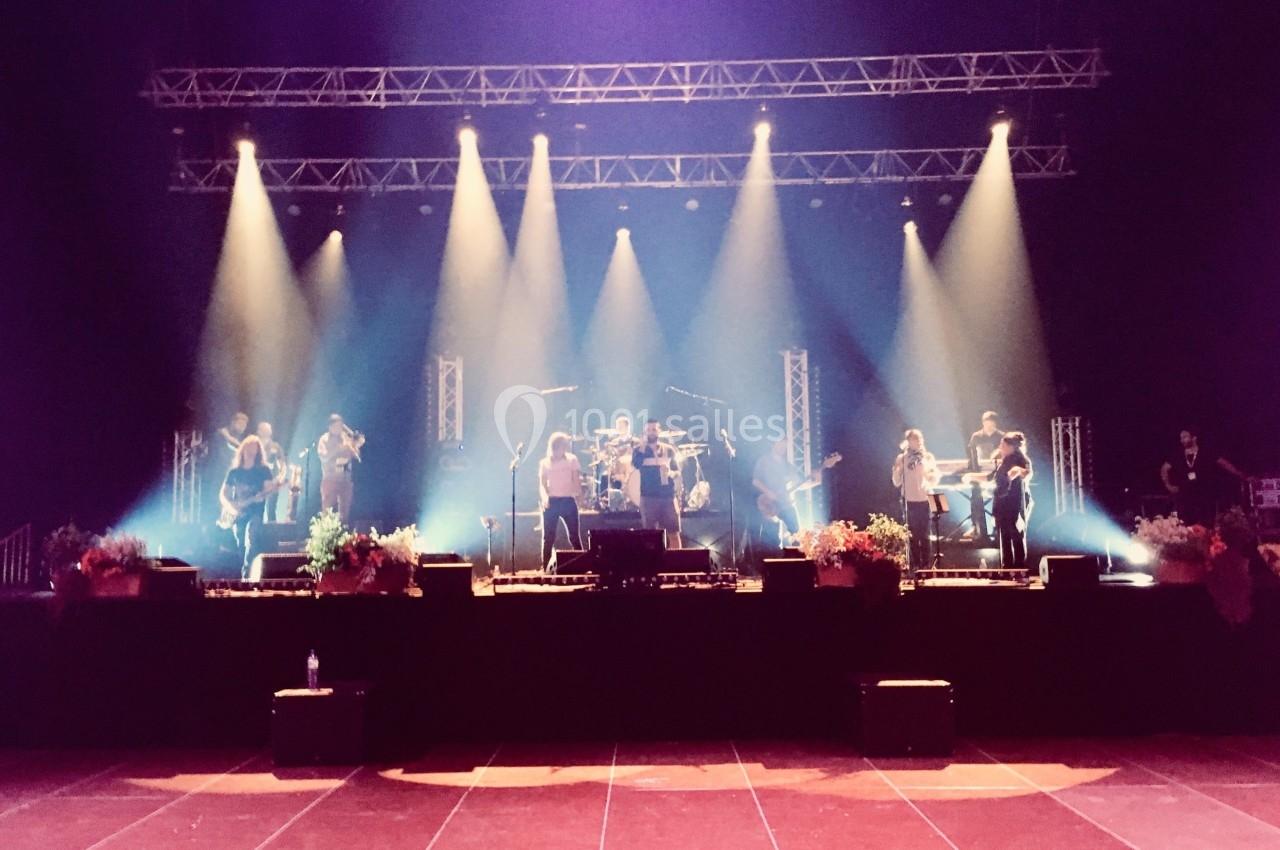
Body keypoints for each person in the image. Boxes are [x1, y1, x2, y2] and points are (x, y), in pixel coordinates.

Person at [1159, 428, 1246, 527]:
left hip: (1204, 496)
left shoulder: (1206, 452)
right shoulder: (1177, 455)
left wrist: (1239, 474)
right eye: (1181, 438)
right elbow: (1164, 468)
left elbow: (1223, 463)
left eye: (1185, 437)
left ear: (1194, 438)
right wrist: (1168, 485)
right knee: (1186, 526)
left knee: (1206, 525)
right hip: (1185, 497)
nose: (1182, 440)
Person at [219, 435, 276, 579]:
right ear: (243, 449)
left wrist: (264, 494)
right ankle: (244, 573)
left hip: (255, 512)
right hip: (238, 514)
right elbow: (223, 494)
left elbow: (268, 490)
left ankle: (247, 576)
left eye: (254, 448)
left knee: (251, 536)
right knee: (241, 544)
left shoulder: (263, 470)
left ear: (258, 451)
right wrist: (231, 507)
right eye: (249, 447)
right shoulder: (234, 472)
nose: (251, 451)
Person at [753, 439, 824, 548]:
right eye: (781, 445)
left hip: (785, 503)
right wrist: (768, 492)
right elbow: (755, 481)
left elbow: (799, 485)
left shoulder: (788, 466)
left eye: (785, 446)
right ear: (774, 445)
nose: (783, 448)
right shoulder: (764, 461)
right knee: (770, 536)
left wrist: (816, 481)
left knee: (796, 533)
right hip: (768, 503)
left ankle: (796, 554)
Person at [892, 429, 939, 571]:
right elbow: (896, 482)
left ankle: (926, 564)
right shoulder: (902, 458)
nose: (918, 442)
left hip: (924, 498)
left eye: (920, 439)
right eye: (915, 439)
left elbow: (934, 478)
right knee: (912, 534)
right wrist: (898, 469)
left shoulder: (928, 457)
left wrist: (931, 477)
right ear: (908, 441)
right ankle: (915, 564)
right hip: (909, 500)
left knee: (925, 534)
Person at [632, 419, 683, 548]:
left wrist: (671, 473)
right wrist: (643, 447)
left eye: (654, 429)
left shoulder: (669, 450)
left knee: (673, 533)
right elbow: (636, 464)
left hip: (668, 497)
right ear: (644, 432)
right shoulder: (638, 450)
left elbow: (677, 471)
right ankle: (653, 561)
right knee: (650, 536)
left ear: (659, 431)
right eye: (648, 430)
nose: (651, 432)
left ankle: (677, 560)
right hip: (648, 497)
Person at [538, 432, 584, 568]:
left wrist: (579, 496)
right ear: (554, 447)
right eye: (560, 446)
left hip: (568, 501)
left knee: (574, 536)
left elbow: (576, 480)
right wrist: (545, 497)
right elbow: (542, 484)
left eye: (564, 446)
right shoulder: (545, 463)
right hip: (552, 502)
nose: (563, 449)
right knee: (548, 538)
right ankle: (545, 567)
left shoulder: (572, 459)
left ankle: (581, 565)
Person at [991, 431, 1033, 571]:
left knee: (1016, 533)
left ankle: (1019, 567)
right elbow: (994, 478)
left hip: (1016, 502)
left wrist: (1016, 472)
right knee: (1004, 535)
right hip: (1003, 502)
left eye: (1003, 445)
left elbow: (1026, 473)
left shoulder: (1021, 460)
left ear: (1011, 447)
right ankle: (1007, 567)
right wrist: (972, 477)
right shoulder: (1003, 462)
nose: (1000, 447)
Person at [966, 411, 1004, 544]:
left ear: (995, 424)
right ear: (983, 423)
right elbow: (972, 456)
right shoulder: (976, 436)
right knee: (975, 495)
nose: (989, 426)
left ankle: (997, 527)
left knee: (999, 497)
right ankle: (977, 527)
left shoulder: (1001, 436)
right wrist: (974, 472)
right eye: (987, 423)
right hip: (980, 472)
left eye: (991, 424)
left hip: (997, 473)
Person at [317, 414, 363, 524]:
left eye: (341, 426)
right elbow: (324, 457)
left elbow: (357, 456)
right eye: (337, 426)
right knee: (327, 511)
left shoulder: (346, 437)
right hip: (330, 479)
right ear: (330, 427)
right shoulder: (324, 439)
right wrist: (338, 449)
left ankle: (343, 530)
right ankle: (326, 532)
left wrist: (355, 445)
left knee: (345, 513)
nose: (339, 429)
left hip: (345, 479)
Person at [256, 421, 287, 523]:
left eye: (269, 429)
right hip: (256, 483)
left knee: (272, 510)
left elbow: (282, 464)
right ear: (259, 431)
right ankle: (257, 530)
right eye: (264, 429)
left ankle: (271, 530)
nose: (268, 431)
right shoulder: (253, 445)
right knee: (257, 511)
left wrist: (280, 477)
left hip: (272, 482)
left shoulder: (275, 446)